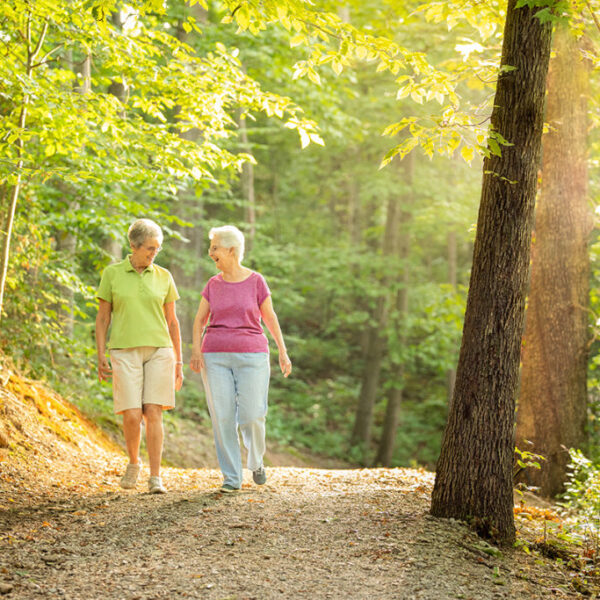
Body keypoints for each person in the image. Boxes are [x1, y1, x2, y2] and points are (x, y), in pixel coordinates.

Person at [190, 225, 291, 493]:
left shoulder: (256, 281)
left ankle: (256, 461)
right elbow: (200, 320)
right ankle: (231, 478)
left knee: (252, 415)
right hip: (215, 356)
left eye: (215, 248)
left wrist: (282, 350)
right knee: (222, 417)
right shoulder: (213, 284)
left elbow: (270, 317)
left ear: (231, 250)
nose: (210, 253)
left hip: (253, 355)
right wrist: (195, 351)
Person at [95, 218, 183, 494]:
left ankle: (156, 477)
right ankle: (134, 462)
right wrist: (100, 354)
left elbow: (173, 322)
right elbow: (102, 318)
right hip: (123, 350)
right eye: (148, 248)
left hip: (160, 350)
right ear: (133, 246)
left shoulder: (164, 276)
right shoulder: (112, 274)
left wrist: (179, 361)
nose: (153, 253)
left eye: (157, 248)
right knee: (132, 414)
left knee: (153, 411)